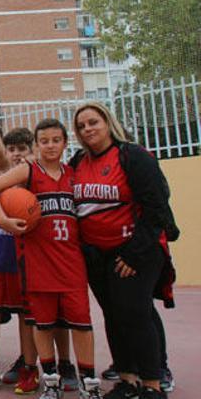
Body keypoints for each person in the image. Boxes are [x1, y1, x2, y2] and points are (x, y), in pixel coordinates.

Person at [0, 118, 102, 399]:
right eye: (44, 141)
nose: (50, 145)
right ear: (36, 145)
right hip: (37, 263)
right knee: (42, 324)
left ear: (64, 142)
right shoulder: (28, 170)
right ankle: (50, 382)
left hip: (72, 263)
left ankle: (89, 382)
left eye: (56, 140)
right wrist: (3, 219)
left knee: (82, 325)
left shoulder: (74, 174)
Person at [70, 103, 177, 399]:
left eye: (93, 122)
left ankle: (153, 383)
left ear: (107, 122)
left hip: (133, 251)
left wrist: (134, 254)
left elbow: (156, 208)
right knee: (113, 316)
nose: (88, 129)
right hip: (97, 255)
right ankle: (127, 380)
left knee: (135, 313)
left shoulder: (133, 156)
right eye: (81, 126)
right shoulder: (78, 160)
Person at [0, 125, 42, 394]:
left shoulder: (36, 180)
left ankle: (29, 368)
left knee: (27, 317)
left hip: (25, 260)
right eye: (12, 149)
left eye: (20, 149)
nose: (15, 154)